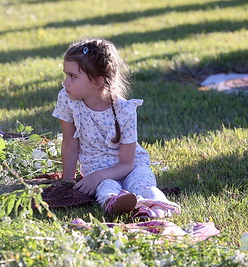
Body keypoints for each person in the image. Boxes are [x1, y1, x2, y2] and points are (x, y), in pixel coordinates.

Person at [52, 38, 180, 218]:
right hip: (95, 169)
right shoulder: (67, 99)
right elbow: (69, 145)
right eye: (66, 75)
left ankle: (159, 209)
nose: (65, 82)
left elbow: (127, 163)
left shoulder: (125, 110)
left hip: (131, 166)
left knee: (143, 184)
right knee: (106, 189)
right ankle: (123, 206)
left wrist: (97, 177)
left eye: (73, 76)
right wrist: (67, 183)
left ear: (97, 81)